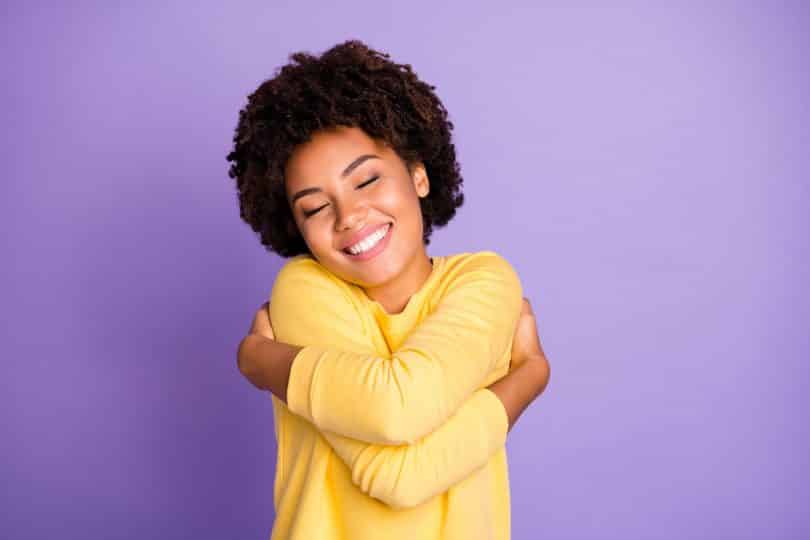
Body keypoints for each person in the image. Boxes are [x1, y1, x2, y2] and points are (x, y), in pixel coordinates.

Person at [227, 40, 551, 540]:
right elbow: (397, 447)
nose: (349, 217)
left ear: (418, 174)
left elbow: (398, 449)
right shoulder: (304, 289)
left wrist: (264, 362)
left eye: (367, 180)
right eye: (314, 208)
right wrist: (522, 380)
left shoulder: (483, 280)